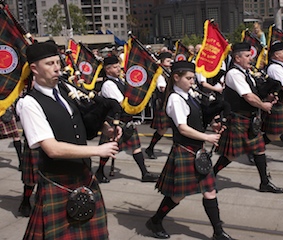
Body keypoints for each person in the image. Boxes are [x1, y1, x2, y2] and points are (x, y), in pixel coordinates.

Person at [16, 41, 121, 239]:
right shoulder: (29, 103)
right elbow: (52, 149)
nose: (57, 67)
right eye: (49, 64)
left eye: (58, 62)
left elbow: (81, 120)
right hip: (58, 182)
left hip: (83, 176)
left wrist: (106, 130)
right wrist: (98, 151)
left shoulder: (64, 91)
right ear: (34, 69)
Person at [145, 61, 233, 240]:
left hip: (196, 150)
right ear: (176, 78)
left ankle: (218, 232)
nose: (193, 81)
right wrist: (207, 137)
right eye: (189, 78)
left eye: (193, 78)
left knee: (210, 191)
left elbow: (196, 119)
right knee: (178, 196)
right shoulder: (175, 99)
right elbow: (183, 128)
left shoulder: (187, 95)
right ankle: (155, 220)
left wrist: (213, 127)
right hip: (185, 150)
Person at [213, 42, 283, 194]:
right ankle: (210, 177)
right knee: (231, 154)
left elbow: (255, 93)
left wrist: (268, 95)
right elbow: (249, 97)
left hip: (249, 119)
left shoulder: (246, 73)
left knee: (259, 150)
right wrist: (263, 106)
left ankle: (265, 183)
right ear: (237, 58)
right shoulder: (234, 74)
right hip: (238, 118)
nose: (250, 58)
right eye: (246, 56)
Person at [95, 54, 159, 183]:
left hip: (126, 120)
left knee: (136, 147)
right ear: (107, 70)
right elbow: (121, 102)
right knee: (109, 147)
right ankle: (100, 172)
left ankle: (144, 173)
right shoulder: (108, 84)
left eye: (119, 66)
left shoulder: (120, 80)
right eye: (114, 67)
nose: (118, 69)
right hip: (114, 121)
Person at [145, 52, 172, 159]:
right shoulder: (160, 74)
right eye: (168, 61)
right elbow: (163, 88)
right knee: (162, 130)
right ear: (161, 62)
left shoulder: (170, 72)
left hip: (172, 103)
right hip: (163, 103)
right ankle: (150, 148)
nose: (170, 63)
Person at [0, 105, 23, 170]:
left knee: (16, 136)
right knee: (16, 136)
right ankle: (21, 162)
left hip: (5, 112)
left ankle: (21, 162)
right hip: (5, 111)